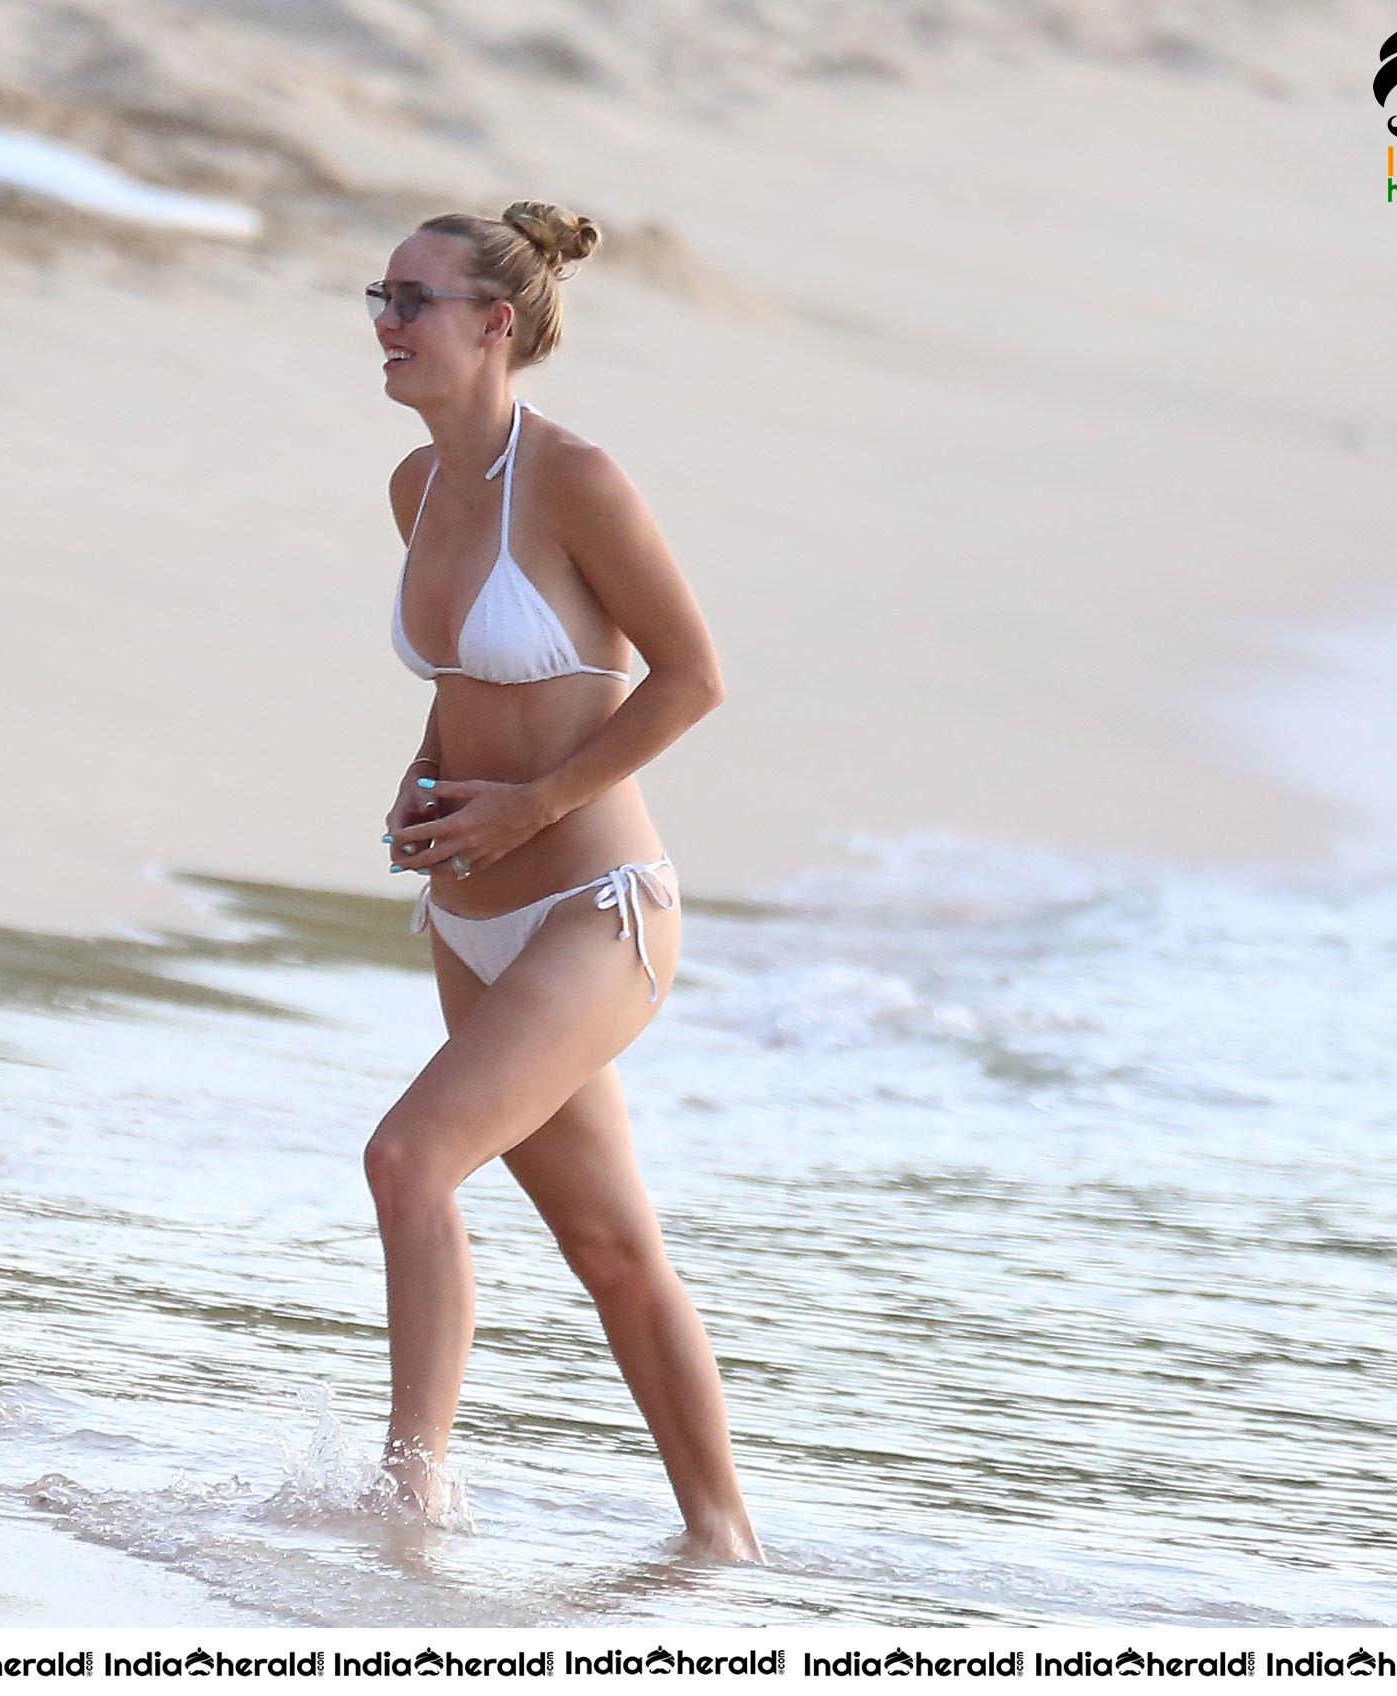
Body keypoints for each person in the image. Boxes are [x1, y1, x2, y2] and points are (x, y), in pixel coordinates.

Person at [366, 199, 761, 1563]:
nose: (383, 322)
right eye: (378, 297)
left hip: (598, 911)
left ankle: (410, 1500)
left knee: (407, 1159)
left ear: (495, 323)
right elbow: (468, 683)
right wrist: (423, 780)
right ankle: (723, 1544)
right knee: (609, 1248)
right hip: (470, 919)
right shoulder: (418, 489)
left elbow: (695, 680)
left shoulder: (578, 480)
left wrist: (531, 803)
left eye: (411, 300)